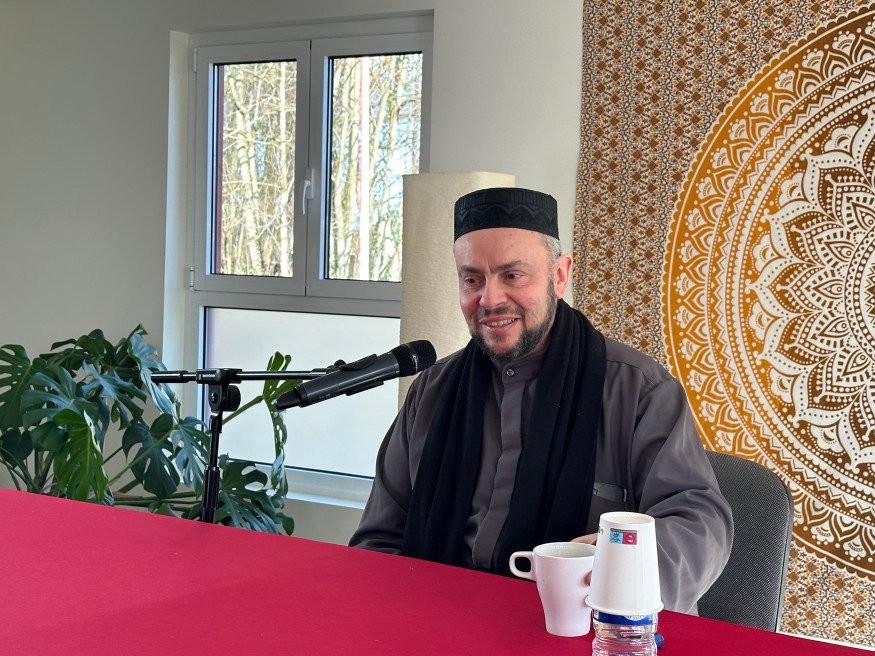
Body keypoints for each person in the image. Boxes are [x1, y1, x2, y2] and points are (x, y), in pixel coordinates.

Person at [349, 187, 733, 614]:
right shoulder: (432, 391)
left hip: (587, 628)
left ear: (560, 276)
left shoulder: (639, 390)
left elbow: (701, 526)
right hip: (440, 621)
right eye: (472, 279)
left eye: (512, 276)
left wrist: (622, 565)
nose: (490, 300)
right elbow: (379, 540)